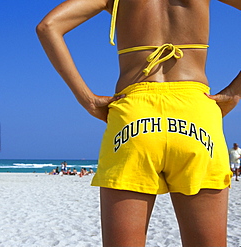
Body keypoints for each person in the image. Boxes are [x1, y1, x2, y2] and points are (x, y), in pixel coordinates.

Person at [37, 1, 240, 246]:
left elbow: (48, 26)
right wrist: (234, 93)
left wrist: (88, 100)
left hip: (134, 114)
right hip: (196, 112)